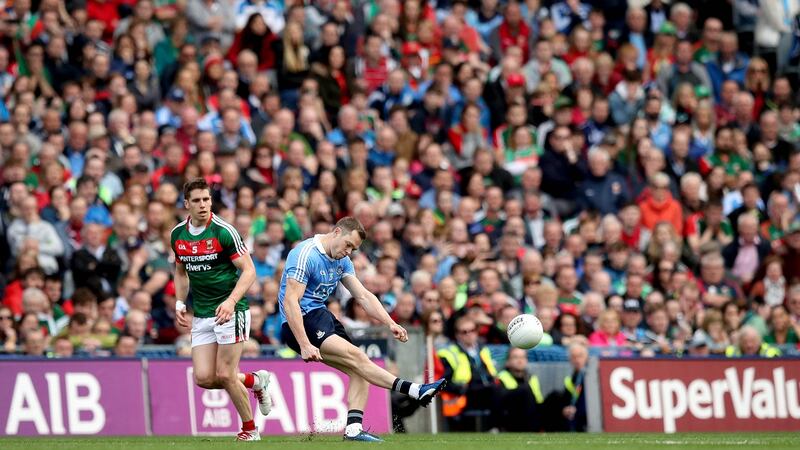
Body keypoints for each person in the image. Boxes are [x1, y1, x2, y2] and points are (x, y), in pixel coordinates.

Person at [277, 216, 446, 442]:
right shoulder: (305, 254)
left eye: (353, 249)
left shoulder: (343, 261)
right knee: (358, 356)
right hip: (300, 320)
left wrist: (390, 322)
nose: (348, 252)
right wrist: (305, 343)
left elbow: (363, 296)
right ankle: (415, 390)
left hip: (321, 316)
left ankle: (354, 429)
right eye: (348, 245)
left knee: (358, 369)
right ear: (337, 232)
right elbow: (290, 302)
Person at [171, 179, 271, 441]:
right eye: (196, 200)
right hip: (203, 313)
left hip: (232, 310)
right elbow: (180, 271)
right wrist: (180, 302)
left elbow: (249, 271)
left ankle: (250, 430)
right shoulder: (177, 235)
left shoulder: (224, 231)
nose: (203, 205)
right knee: (204, 378)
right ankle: (254, 381)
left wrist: (230, 301)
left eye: (206, 199)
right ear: (186, 204)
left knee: (225, 373)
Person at [496, 347, 544, 431]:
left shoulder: (532, 378)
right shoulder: (501, 377)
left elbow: (539, 401)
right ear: (508, 362)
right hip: (511, 416)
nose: (520, 360)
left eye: (522, 357)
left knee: (555, 397)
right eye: (515, 357)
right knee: (524, 390)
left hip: (531, 414)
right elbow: (500, 401)